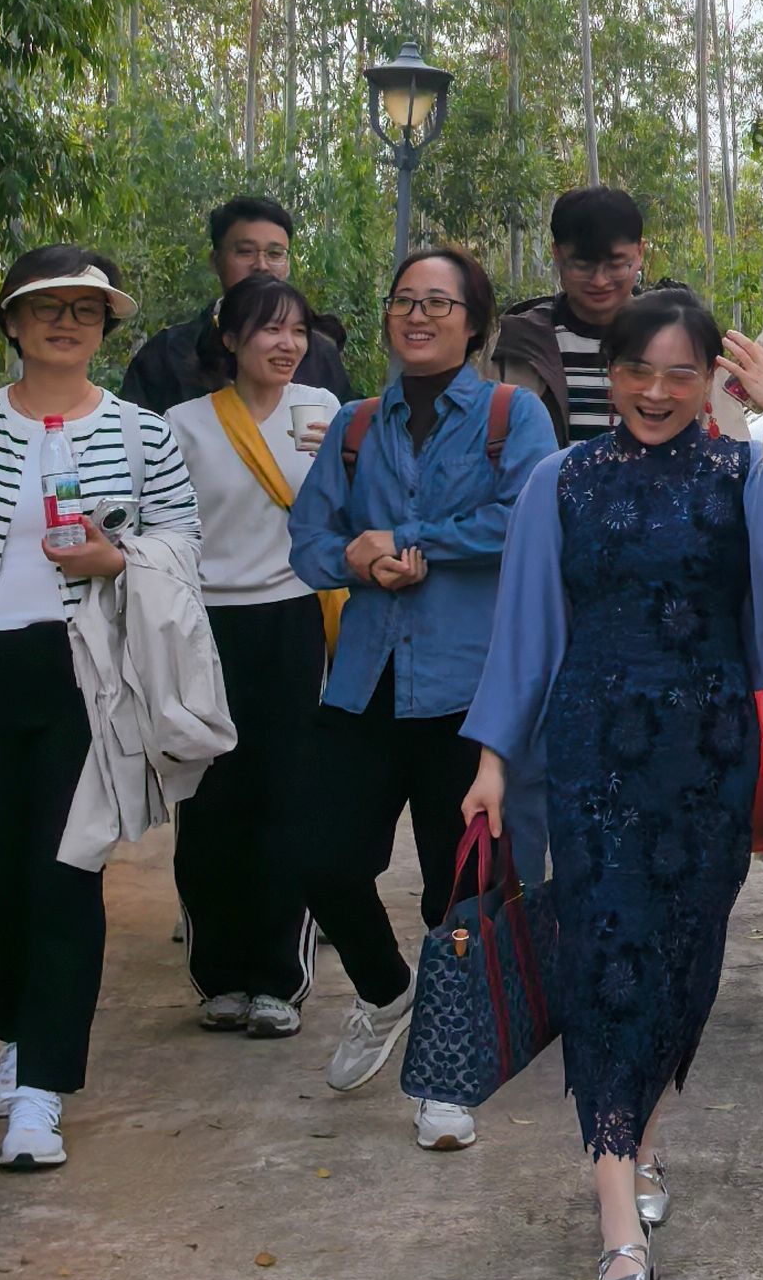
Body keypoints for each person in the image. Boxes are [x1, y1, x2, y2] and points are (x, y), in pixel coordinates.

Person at [463, 287, 763, 1280]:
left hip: (710, 754)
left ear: (713, 380)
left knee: (680, 962)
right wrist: (493, 759)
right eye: (639, 369)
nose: (657, 391)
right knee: (603, 962)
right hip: (592, 755)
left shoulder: (743, 473)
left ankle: (638, 1141)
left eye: (683, 373)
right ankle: (615, 1217)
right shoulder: (559, 480)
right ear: (609, 372)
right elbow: (524, 631)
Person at [0, 249, 201, 1173]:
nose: (66, 323)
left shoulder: (143, 434)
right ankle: (16, 1034)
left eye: (85, 309)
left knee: (64, 874)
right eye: (46, 308)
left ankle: (42, 1091)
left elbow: (183, 544)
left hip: (89, 677)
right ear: (12, 322)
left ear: (105, 328)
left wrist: (116, 560)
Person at [288, 246, 558, 1125]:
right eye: (405, 300)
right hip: (364, 680)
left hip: (470, 689)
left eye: (439, 303)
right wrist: (359, 561)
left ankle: (449, 1075)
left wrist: (410, 542)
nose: (418, 316)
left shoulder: (513, 416)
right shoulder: (355, 424)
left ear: (474, 323)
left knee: (462, 888)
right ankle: (385, 990)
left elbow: (526, 517)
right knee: (318, 855)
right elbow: (309, 540)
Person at [167, 276, 343, 1038]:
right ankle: (219, 975)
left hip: (295, 620)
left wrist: (341, 463)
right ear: (230, 338)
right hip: (205, 626)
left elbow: (351, 511)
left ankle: (278, 980)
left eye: (297, 330)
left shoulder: (324, 411)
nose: (286, 343)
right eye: (270, 329)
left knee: (290, 794)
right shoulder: (182, 426)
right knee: (209, 801)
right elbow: (164, 531)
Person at [121, 193, 348, 412]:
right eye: (246, 251)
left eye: (275, 254)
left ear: (288, 265)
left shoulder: (319, 353)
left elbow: (347, 431)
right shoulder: (168, 353)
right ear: (215, 260)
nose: (261, 265)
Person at [494, 185, 652, 445]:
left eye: (615, 264)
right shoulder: (515, 344)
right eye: (582, 265)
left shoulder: (675, 339)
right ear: (557, 254)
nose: (600, 281)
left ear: (640, 253)